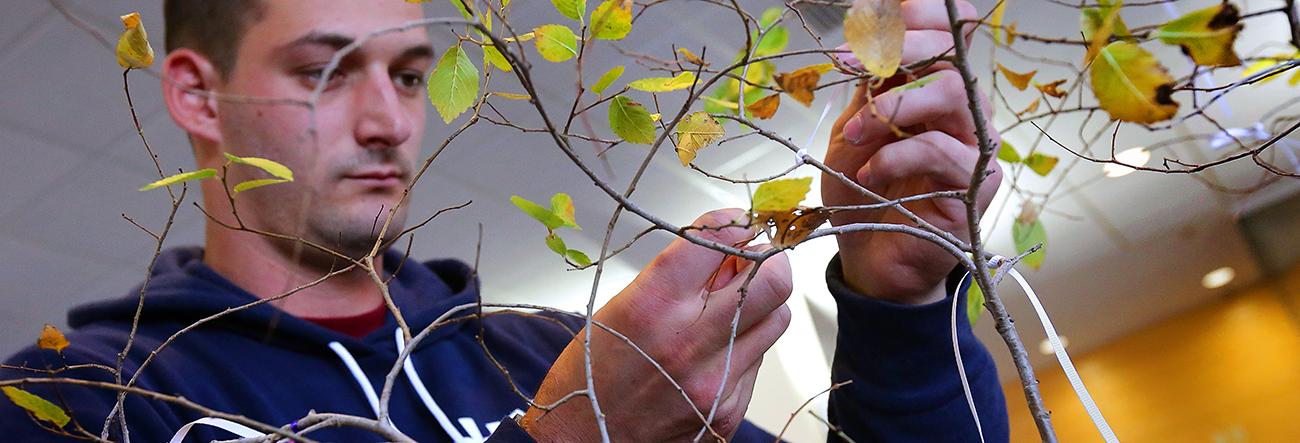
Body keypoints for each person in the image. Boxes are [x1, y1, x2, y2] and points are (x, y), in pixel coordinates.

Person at [0, 0, 1009, 441]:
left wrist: (903, 305)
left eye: (406, 74)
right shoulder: (83, 401)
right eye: (324, 70)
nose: (388, 119)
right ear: (196, 94)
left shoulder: (546, 353)